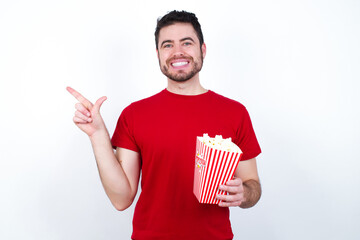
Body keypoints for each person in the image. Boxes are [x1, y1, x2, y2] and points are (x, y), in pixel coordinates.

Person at [67, 10, 262, 240]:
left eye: (187, 42)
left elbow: (253, 185)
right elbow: (121, 199)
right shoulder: (134, 115)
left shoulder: (234, 113)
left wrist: (244, 193)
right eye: (168, 45)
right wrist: (98, 135)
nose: (178, 51)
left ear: (203, 50)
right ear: (158, 54)